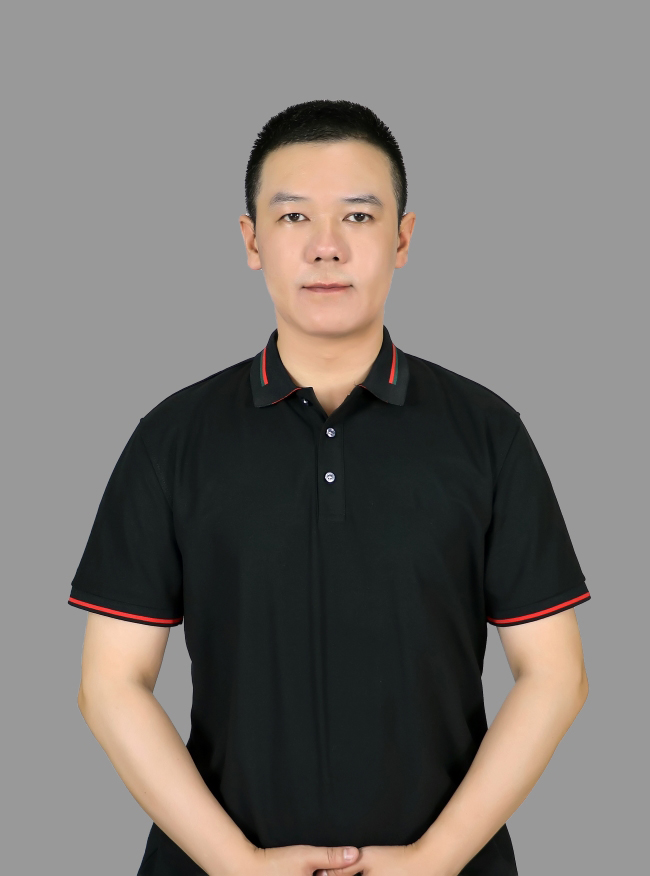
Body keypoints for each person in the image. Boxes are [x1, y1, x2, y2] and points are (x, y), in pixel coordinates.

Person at [68, 99, 591, 876]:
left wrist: (435, 859)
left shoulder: (488, 433)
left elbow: (555, 675)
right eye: (292, 218)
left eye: (357, 216)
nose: (326, 247)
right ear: (251, 240)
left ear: (403, 238)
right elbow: (111, 683)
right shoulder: (171, 438)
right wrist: (237, 864)